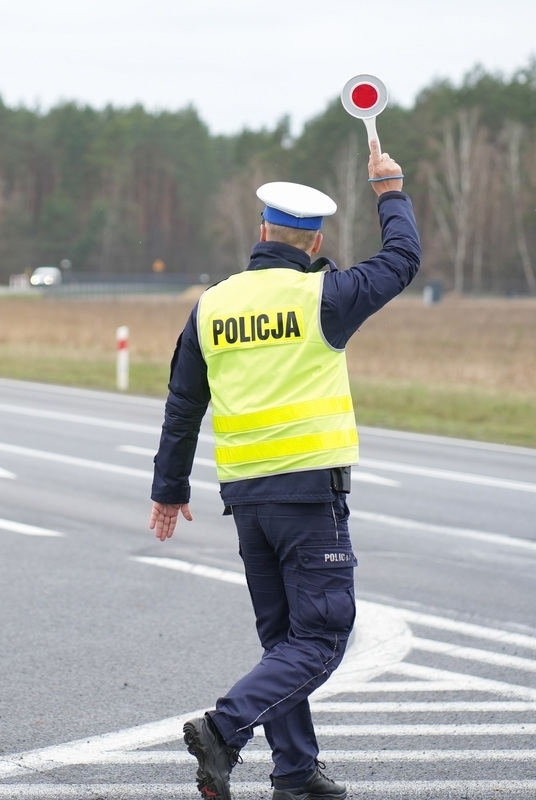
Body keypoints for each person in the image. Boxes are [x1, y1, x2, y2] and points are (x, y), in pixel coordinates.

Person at [148, 139, 421, 800]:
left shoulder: (212, 305)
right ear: (314, 239)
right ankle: (224, 730)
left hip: (246, 500)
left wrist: (169, 488)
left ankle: (296, 773)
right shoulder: (326, 296)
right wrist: (390, 192)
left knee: (283, 645)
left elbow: (185, 400)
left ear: (262, 232)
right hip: (308, 497)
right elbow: (402, 259)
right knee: (322, 639)